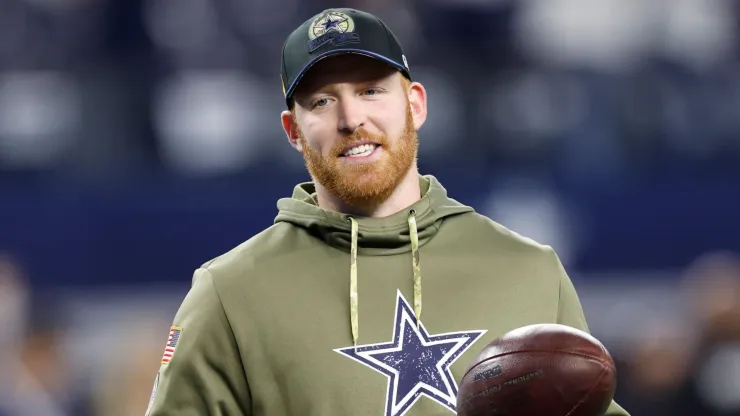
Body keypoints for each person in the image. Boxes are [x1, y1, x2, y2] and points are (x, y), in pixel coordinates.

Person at [145, 7, 630, 416]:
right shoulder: (230, 294)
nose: (351, 118)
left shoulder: (530, 270)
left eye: (371, 90)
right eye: (321, 100)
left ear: (414, 105)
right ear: (293, 131)